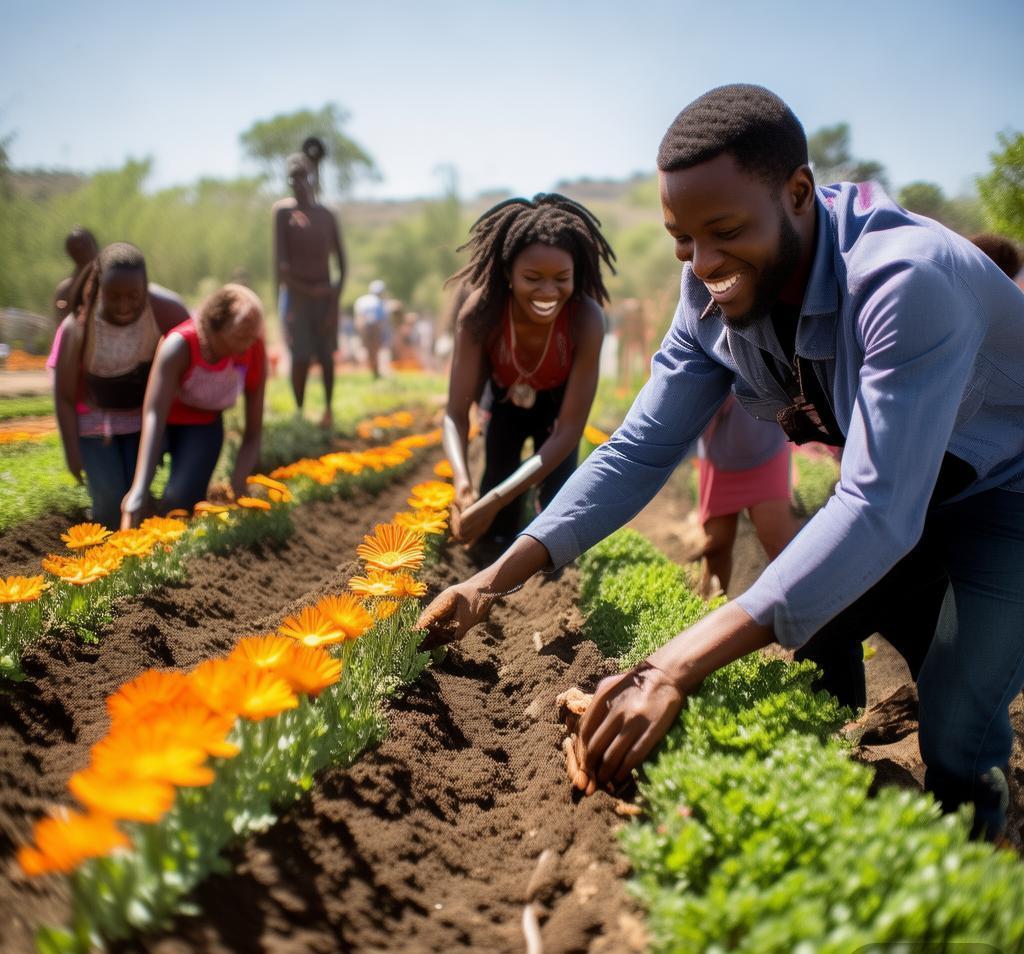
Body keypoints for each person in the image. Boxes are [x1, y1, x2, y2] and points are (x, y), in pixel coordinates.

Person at [418, 85, 1024, 841]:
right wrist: (489, 580)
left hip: (1007, 494)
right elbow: (640, 447)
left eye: (725, 231)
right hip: (922, 487)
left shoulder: (905, 281)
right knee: (818, 627)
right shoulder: (710, 289)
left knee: (961, 712)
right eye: (682, 239)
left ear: (798, 193)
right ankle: (830, 789)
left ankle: (979, 839)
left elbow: (876, 508)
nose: (702, 263)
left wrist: (671, 667)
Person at [441, 194, 616, 546]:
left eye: (561, 278)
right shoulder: (482, 312)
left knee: (555, 519)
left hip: (557, 409)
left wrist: (494, 499)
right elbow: (455, 413)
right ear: (508, 273)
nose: (548, 291)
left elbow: (568, 432)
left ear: (576, 274)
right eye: (533, 278)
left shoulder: (586, 320)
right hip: (503, 399)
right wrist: (463, 484)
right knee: (496, 519)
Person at [52, 242, 189, 528]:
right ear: (99, 288)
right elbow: (64, 395)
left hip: (141, 419)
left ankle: (141, 553)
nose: (124, 305)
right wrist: (72, 452)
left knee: (135, 491)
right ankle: (110, 552)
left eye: (133, 296)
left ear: (146, 287)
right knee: (109, 500)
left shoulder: (166, 310)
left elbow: (193, 355)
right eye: (114, 297)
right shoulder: (78, 326)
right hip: (95, 422)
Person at [121, 284, 266, 526]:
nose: (248, 345)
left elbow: (253, 431)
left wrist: (238, 486)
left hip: (204, 425)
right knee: (125, 493)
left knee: (179, 504)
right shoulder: (179, 345)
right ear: (215, 327)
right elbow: (154, 414)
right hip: (161, 424)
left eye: (253, 337)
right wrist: (139, 488)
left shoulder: (253, 350)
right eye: (241, 337)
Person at [695, 396, 798, 597]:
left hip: (769, 447)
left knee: (778, 540)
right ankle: (707, 612)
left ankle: (802, 613)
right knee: (717, 545)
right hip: (719, 451)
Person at [273, 152, 345, 429]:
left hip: (325, 300)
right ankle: (299, 412)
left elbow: (342, 266)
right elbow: (281, 266)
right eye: (294, 178)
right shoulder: (283, 213)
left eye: (304, 176)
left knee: (326, 356)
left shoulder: (326, 215)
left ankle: (328, 410)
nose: (299, 183)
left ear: (314, 178)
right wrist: (305, 291)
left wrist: (332, 301)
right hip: (298, 301)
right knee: (300, 357)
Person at [52, 226, 99, 322]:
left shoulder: (112, 280)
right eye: (76, 250)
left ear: (94, 245)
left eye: (85, 246)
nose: (81, 252)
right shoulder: (66, 291)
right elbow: (63, 325)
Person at [354, 279, 391, 378]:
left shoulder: (361, 300)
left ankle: (370, 370)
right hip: (375, 326)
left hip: (364, 326)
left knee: (367, 349)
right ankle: (374, 371)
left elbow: (358, 317)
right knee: (375, 350)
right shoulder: (381, 302)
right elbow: (383, 320)